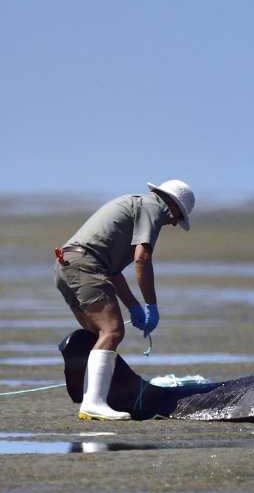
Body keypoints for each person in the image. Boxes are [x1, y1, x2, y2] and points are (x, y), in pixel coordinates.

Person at [54, 180, 196, 420]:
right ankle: (93, 403)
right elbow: (142, 259)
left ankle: (98, 398)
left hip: (68, 264)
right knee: (112, 332)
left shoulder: (137, 207)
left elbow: (113, 271)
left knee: (97, 333)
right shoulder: (153, 207)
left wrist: (134, 306)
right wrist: (152, 304)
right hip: (86, 265)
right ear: (173, 207)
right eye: (177, 218)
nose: (173, 223)